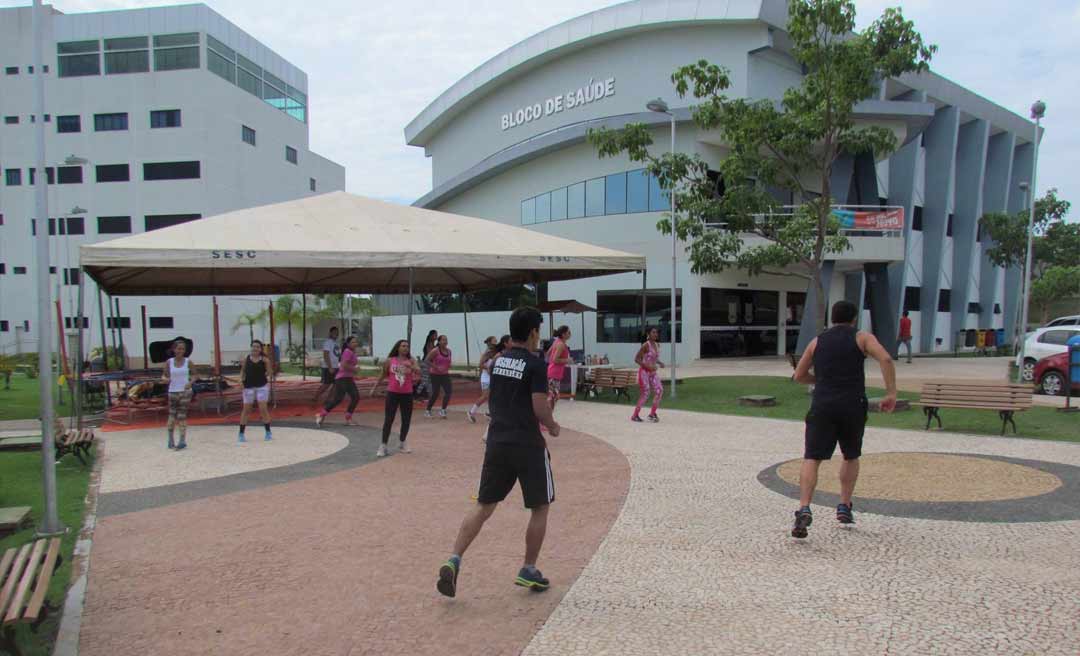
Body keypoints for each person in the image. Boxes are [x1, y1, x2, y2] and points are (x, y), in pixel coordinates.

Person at [437, 307, 560, 598]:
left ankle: (453, 558)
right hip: (528, 445)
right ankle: (528, 568)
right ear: (532, 332)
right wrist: (553, 426)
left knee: (484, 505)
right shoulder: (535, 365)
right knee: (540, 507)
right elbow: (539, 408)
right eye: (538, 331)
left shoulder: (499, 361)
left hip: (497, 442)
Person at [790, 300, 897, 538]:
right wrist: (891, 393)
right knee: (850, 454)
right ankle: (844, 506)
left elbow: (798, 375)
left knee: (812, 457)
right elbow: (886, 359)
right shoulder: (862, 338)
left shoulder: (817, 341)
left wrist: (821, 380)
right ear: (854, 318)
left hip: (822, 406)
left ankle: (804, 507)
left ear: (832, 318)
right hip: (851, 405)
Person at [373, 339, 421, 457]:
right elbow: (383, 374)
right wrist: (374, 387)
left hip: (407, 394)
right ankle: (383, 445)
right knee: (389, 419)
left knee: (406, 419)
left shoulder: (411, 360)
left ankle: (402, 442)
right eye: (403, 346)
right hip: (392, 394)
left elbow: (418, 371)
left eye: (407, 346)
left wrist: (413, 366)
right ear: (398, 348)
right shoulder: (390, 360)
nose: (405, 348)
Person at [316, 336, 360, 427]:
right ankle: (321, 415)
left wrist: (353, 370)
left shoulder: (352, 352)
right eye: (352, 342)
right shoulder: (347, 352)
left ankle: (348, 418)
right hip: (342, 379)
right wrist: (354, 369)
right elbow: (343, 365)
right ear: (348, 344)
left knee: (355, 397)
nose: (355, 344)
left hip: (348, 378)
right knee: (338, 399)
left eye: (356, 342)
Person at [239, 340, 274, 443]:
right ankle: (241, 433)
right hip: (248, 387)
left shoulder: (265, 360)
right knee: (246, 410)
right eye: (253, 346)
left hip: (261, 387)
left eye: (257, 347)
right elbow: (242, 371)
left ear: (260, 349)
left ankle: (268, 432)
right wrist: (240, 380)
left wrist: (268, 369)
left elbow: (270, 372)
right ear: (251, 347)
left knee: (263, 409)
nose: (255, 349)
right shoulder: (246, 359)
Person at [161, 339, 193, 450]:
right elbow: (164, 375)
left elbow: (196, 375)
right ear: (174, 349)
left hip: (185, 391)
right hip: (172, 391)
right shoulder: (169, 362)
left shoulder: (188, 362)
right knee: (172, 415)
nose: (181, 351)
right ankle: (170, 439)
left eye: (183, 349)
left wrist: (190, 382)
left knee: (182, 415)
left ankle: (182, 440)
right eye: (178, 348)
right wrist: (165, 379)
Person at [631, 327, 665, 423]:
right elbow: (637, 359)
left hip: (653, 373)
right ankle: (635, 415)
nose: (655, 334)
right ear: (648, 334)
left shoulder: (658, 345)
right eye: (653, 332)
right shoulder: (646, 345)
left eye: (656, 332)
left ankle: (652, 414)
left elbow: (653, 357)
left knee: (660, 390)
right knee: (646, 393)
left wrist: (660, 362)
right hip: (644, 372)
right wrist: (648, 367)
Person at [468, 336, 500, 423]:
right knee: (485, 396)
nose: (496, 342)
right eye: (494, 341)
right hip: (486, 378)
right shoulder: (487, 353)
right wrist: (488, 368)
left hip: (492, 377)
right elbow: (480, 365)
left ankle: (490, 413)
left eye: (496, 341)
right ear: (489, 343)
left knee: (494, 396)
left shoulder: (496, 352)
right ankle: (471, 412)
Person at [424, 335, 453, 418]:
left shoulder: (449, 351)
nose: (445, 342)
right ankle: (428, 410)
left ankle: (443, 410)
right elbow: (426, 360)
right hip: (435, 374)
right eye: (443, 340)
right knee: (436, 393)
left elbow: (448, 361)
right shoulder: (435, 351)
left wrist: (449, 365)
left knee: (448, 391)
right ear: (439, 342)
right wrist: (436, 367)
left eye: (446, 340)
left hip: (445, 374)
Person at [545, 326, 572, 413]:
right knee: (553, 398)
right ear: (563, 334)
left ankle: (546, 420)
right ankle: (546, 421)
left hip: (552, 372)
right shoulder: (561, 344)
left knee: (552, 397)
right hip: (554, 374)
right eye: (569, 332)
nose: (570, 334)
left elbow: (548, 353)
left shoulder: (557, 341)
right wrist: (567, 360)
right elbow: (555, 359)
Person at [313, 327, 341, 402]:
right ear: (330, 333)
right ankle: (315, 398)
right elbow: (326, 355)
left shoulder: (336, 343)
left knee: (337, 384)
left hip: (336, 367)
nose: (336, 334)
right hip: (328, 367)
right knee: (326, 385)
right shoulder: (328, 342)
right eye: (334, 332)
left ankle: (329, 399)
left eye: (337, 332)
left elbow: (337, 355)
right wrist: (330, 367)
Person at [416, 330, 438, 400]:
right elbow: (430, 354)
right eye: (435, 335)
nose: (436, 336)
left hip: (426, 363)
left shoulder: (431, 344)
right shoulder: (430, 344)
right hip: (426, 364)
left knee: (426, 380)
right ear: (431, 336)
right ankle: (418, 394)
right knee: (425, 380)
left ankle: (425, 394)